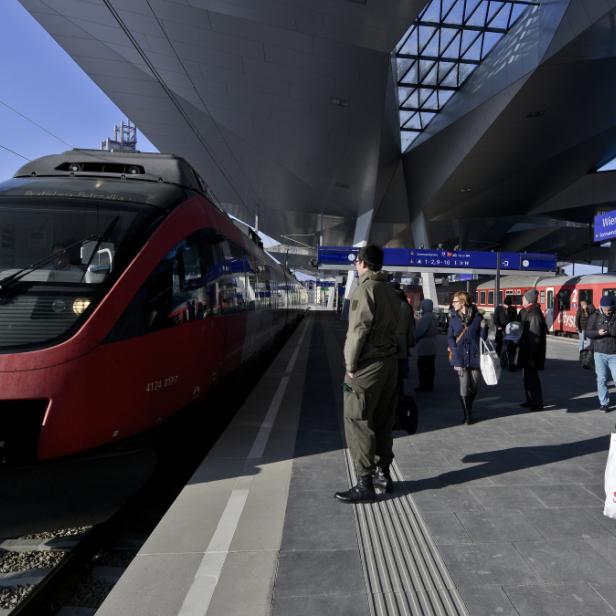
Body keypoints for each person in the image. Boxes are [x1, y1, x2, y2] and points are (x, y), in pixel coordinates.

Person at [335, 245, 400, 503]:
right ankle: (383, 475)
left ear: (362, 263)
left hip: (367, 365)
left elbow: (358, 330)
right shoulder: (390, 291)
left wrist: (350, 366)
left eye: (356, 262)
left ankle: (365, 483)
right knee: (383, 419)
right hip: (389, 364)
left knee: (357, 420)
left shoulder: (365, 290)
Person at [448, 291, 488, 425]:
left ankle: (469, 407)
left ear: (463, 302)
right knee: (464, 386)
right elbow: (450, 337)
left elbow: (483, 338)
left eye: (455, 301)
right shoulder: (453, 318)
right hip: (460, 356)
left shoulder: (477, 317)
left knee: (474, 386)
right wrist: (454, 349)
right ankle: (467, 415)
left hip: (475, 356)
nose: (452, 304)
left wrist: (484, 328)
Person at [517, 289, 547, 411]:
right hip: (526, 351)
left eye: (523, 298)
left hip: (531, 354)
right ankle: (530, 400)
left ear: (528, 300)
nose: (522, 299)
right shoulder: (527, 311)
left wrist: (532, 356)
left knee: (533, 379)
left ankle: (537, 403)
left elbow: (535, 338)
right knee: (527, 378)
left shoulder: (534, 314)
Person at [585, 295, 616, 411]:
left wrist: (608, 330)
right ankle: (604, 403)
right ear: (601, 307)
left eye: (611, 308)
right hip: (599, 353)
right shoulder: (595, 316)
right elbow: (587, 332)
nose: (608, 311)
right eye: (606, 308)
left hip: (614, 354)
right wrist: (597, 332)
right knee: (601, 379)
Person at [395, 285, 415, 396]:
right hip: (403, 341)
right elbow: (411, 327)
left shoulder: (388, 305)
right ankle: (400, 392)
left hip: (390, 342)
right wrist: (410, 341)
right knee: (400, 369)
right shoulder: (406, 307)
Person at [415, 299, 439, 392]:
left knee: (423, 366)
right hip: (433, 344)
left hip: (425, 345)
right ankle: (430, 384)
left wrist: (414, 339)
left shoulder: (425, 318)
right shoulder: (433, 316)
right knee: (430, 367)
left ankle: (423, 385)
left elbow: (420, 331)